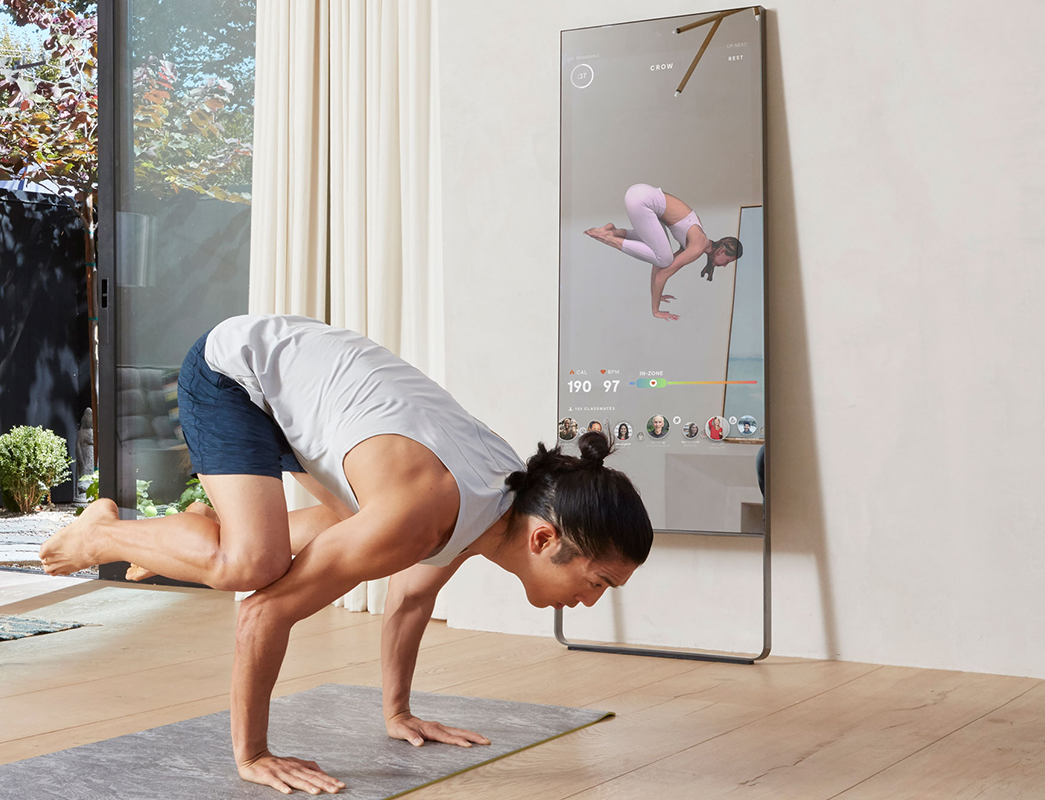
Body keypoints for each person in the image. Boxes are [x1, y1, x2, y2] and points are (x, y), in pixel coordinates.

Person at [40, 315, 652, 795]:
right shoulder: (422, 513)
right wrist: (253, 754)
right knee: (253, 567)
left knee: (342, 529)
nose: (592, 599)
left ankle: (198, 536)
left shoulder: (502, 501)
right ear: (544, 539)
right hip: (238, 370)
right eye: (599, 581)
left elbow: (412, 596)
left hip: (317, 387)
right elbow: (263, 611)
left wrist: (399, 714)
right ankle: (104, 533)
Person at [584, 184, 742, 321]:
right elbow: (663, 273)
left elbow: (657, 266)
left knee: (660, 254)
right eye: (728, 261)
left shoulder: (695, 241)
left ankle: (615, 232)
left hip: (641, 197)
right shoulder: (697, 246)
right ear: (721, 251)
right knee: (664, 258)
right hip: (642, 201)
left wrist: (656, 294)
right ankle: (609, 238)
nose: (725, 265)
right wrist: (656, 310)